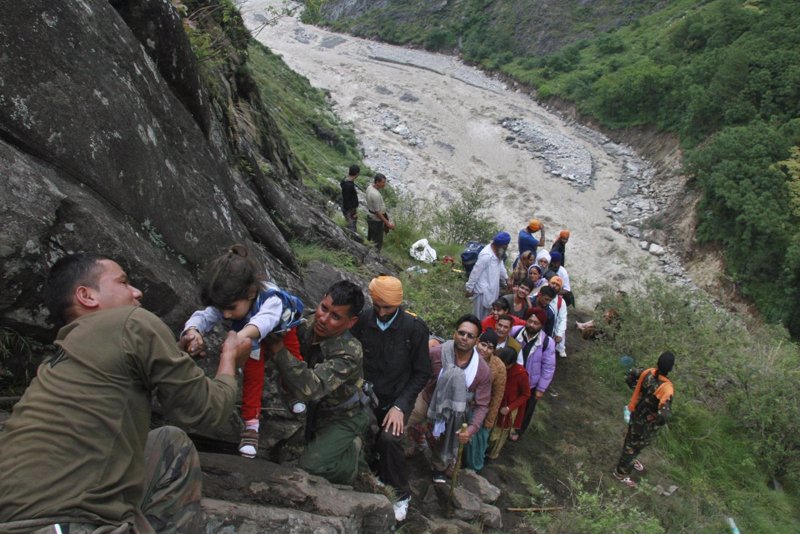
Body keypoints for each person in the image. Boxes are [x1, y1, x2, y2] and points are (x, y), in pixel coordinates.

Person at [0, 253, 251, 533]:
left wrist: (175, 355)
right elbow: (208, 410)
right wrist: (230, 359)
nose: (137, 292)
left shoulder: (59, 360)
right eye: (123, 282)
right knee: (174, 448)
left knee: (165, 443)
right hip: (69, 524)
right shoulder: (132, 321)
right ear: (87, 296)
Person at [180, 244, 305, 459]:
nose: (226, 315)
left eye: (231, 309)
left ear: (251, 293)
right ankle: (251, 425)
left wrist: (239, 338)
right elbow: (205, 315)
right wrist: (193, 331)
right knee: (252, 377)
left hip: (281, 329)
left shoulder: (272, 299)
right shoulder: (230, 300)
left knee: (291, 360)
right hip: (250, 336)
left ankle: (292, 390)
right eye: (223, 309)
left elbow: (264, 322)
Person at [265, 281, 368, 485]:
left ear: (351, 322)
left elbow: (311, 387)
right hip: (313, 410)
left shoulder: (349, 352)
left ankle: (353, 458)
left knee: (310, 467)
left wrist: (278, 350)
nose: (323, 319)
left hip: (343, 416)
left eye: (335, 316)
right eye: (324, 308)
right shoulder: (305, 321)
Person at [350, 276, 431, 522]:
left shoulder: (414, 328)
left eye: (388, 308)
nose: (382, 313)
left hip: (398, 397)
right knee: (356, 429)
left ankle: (401, 492)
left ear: (398, 304)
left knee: (389, 437)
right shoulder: (364, 320)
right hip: (367, 394)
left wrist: (400, 406)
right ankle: (367, 472)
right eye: (378, 306)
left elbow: (422, 373)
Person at [409, 315, 492, 483]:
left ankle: (439, 466)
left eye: (470, 336)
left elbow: (482, 404)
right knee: (404, 418)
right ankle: (401, 448)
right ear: (454, 333)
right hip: (427, 398)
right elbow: (415, 371)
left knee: (450, 433)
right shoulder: (436, 353)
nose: (464, 338)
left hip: (457, 409)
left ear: (477, 341)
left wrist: (471, 429)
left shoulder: (482, 370)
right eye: (461, 333)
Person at [613, 352, 675, 488]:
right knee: (634, 446)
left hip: (636, 413)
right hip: (646, 424)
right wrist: (655, 420)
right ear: (670, 369)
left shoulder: (648, 372)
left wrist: (637, 389)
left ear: (658, 363)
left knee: (631, 440)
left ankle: (629, 460)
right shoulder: (666, 388)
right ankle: (621, 473)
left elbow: (630, 374)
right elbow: (665, 415)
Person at [464, 329, 506, 472]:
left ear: (494, 349)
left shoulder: (498, 367)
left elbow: (497, 395)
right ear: (477, 342)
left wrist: (489, 420)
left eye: (490, 347)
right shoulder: (466, 355)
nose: (485, 350)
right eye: (483, 345)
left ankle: (473, 469)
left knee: (477, 441)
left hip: (480, 409)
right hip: (460, 404)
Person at [515, 307, 556, 438]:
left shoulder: (547, 343)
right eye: (530, 321)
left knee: (527, 408)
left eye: (536, 323)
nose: (532, 325)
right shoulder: (515, 332)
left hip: (531, 382)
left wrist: (541, 388)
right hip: (514, 378)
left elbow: (548, 367)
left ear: (541, 325)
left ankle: (518, 431)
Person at [487, 347, 530, 457]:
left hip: (506, 409)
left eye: (506, 365)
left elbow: (526, 394)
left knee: (499, 434)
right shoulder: (494, 366)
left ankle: (492, 454)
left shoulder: (521, 374)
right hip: (493, 404)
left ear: (512, 364)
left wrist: (509, 408)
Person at [465, 231, 510, 319]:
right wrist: (469, 289)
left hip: (492, 290)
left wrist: (506, 278)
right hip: (482, 292)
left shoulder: (498, 253)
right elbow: (475, 272)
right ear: (501, 246)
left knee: (489, 316)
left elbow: (501, 266)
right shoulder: (486, 255)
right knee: (478, 317)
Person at [366, 173, 394, 250]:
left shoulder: (369, 187)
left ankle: (368, 250)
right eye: (383, 182)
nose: (384, 184)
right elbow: (378, 212)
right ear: (377, 182)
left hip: (370, 217)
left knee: (371, 237)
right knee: (377, 241)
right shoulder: (375, 194)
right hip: (376, 220)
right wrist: (387, 223)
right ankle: (374, 256)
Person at [548, 276, 568, 359]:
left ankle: (561, 349)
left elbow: (563, 319)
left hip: (553, 330)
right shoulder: (539, 294)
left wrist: (559, 334)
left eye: (557, 285)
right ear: (549, 283)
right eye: (553, 283)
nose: (554, 286)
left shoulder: (561, 302)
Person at [341, 164, 360, 232]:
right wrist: (353, 213)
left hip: (349, 209)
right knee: (352, 227)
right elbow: (347, 200)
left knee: (351, 225)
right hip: (349, 210)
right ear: (357, 174)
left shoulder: (346, 181)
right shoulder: (348, 185)